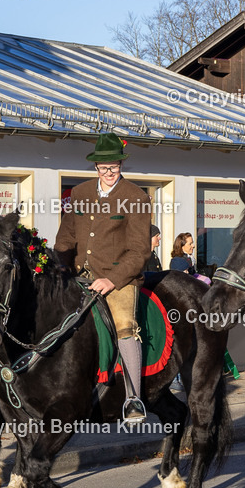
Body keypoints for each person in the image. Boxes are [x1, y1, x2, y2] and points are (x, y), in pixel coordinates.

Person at [55, 133, 152, 423]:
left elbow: (139, 251)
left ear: (121, 164)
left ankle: (133, 397)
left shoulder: (137, 197)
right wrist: (61, 267)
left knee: (125, 325)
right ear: (95, 166)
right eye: (103, 168)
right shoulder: (79, 193)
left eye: (114, 167)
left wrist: (111, 280)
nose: (109, 173)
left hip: (118, 279)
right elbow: (66, 237)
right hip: (79, 274)